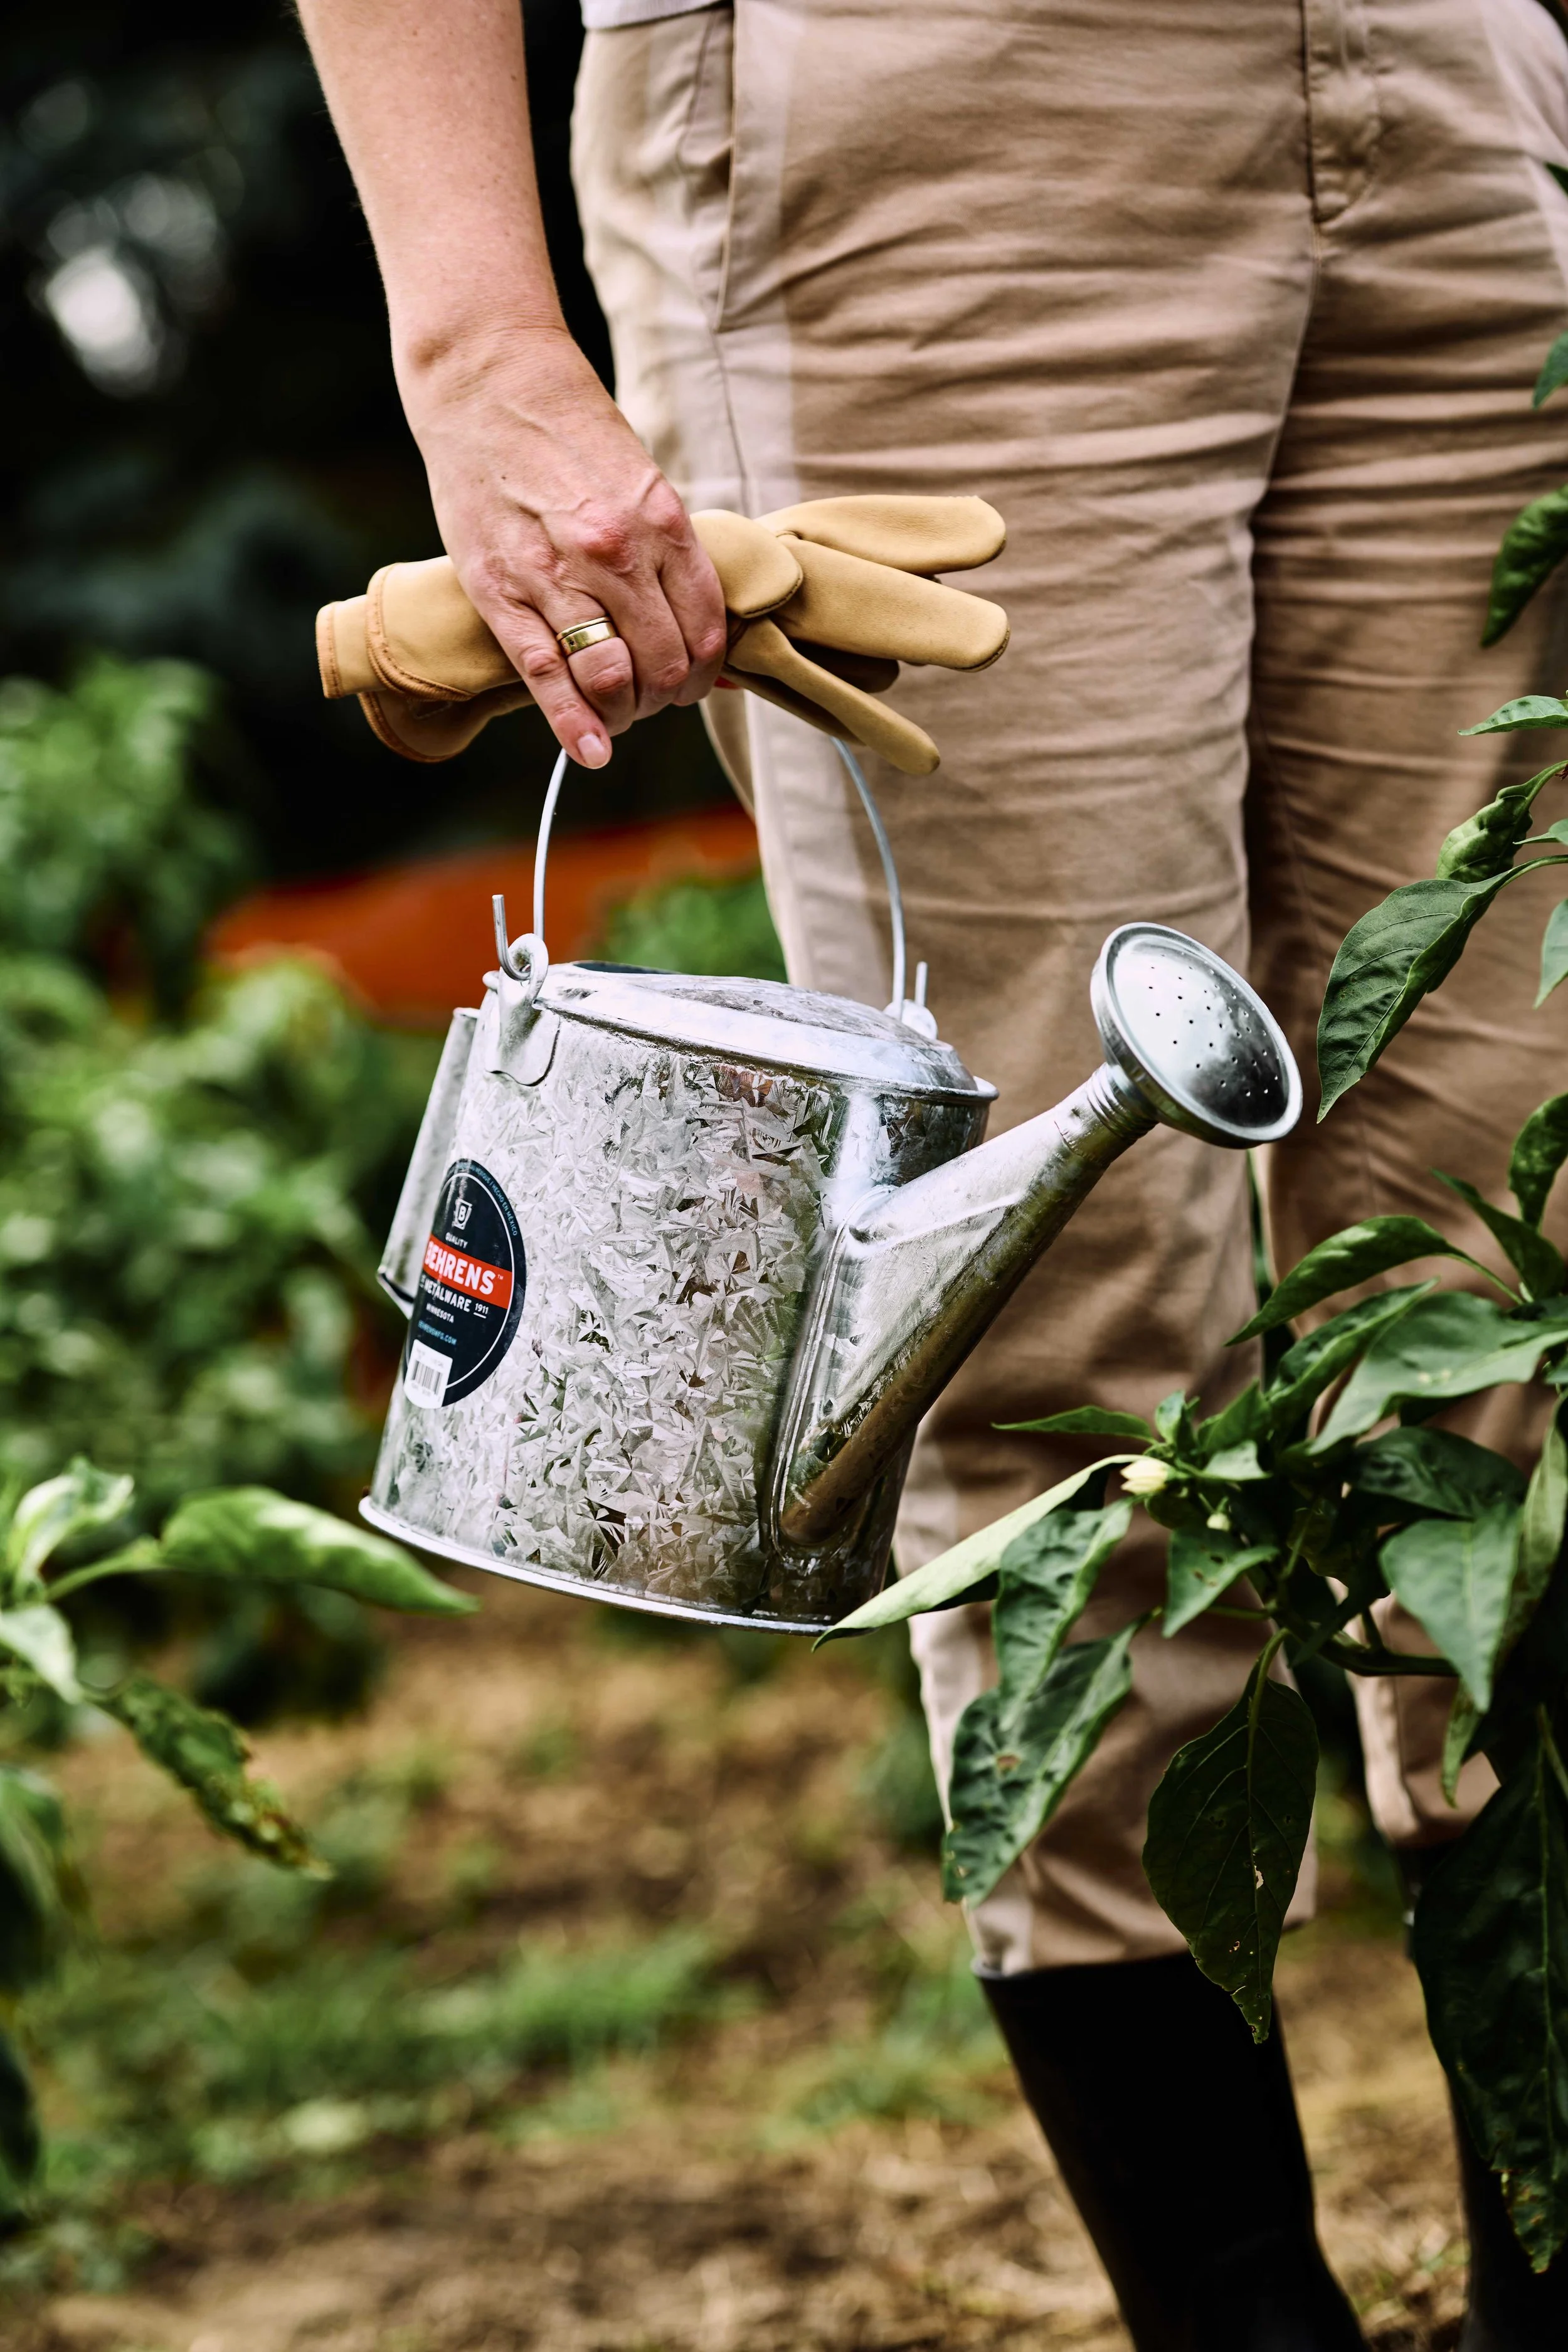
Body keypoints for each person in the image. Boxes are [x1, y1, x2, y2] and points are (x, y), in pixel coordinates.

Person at [296, 2, 1568, 2342]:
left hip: (1452, 94)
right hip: (916, 144)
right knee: (1061, 1342)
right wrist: (479, 335)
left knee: (1518, 1297)